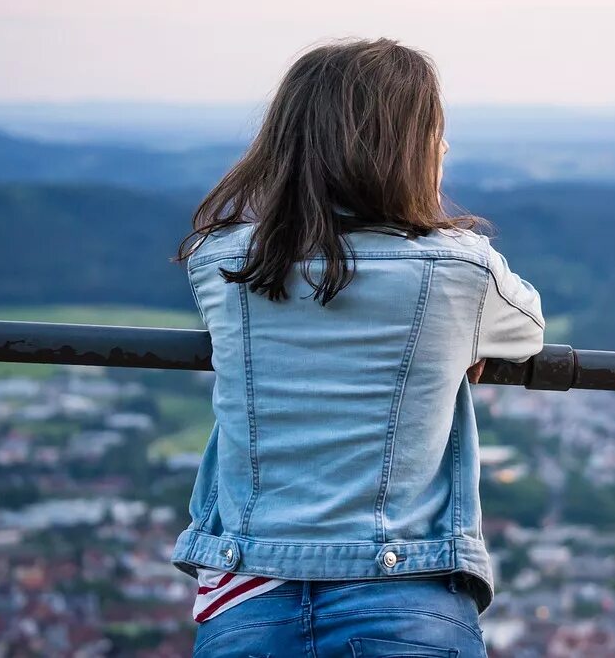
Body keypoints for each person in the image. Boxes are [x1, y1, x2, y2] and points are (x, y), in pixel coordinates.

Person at [171, 38, 544, 657]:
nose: (445, 147)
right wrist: (453, 339)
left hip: (247, 597)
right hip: (405, 596)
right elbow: (526, 330)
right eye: (435, 132)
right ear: (409, 150)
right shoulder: (460, 271)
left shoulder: (222, 261)